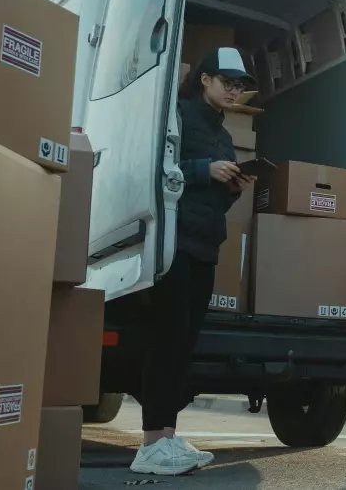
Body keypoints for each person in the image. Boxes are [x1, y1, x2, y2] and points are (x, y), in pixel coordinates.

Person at [130, 47, 258, 476]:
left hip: (206, 245)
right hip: (174, 243)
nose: (234, 91)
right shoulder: (178, 116)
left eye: (240, 86)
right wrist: (207, 170)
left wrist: (233, 186)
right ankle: (151, 443)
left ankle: (167, 437)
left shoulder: (224, 134)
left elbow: (213, 199)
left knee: (184, 343)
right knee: (167, 340)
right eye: (228, 82)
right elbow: (155, 169)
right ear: (205, 79)